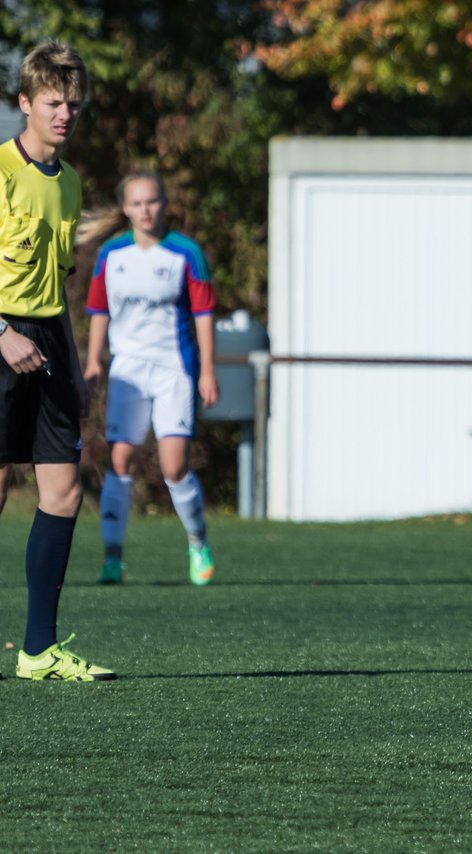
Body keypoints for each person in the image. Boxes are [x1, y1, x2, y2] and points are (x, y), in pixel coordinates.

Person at [0, 42, 115, 680]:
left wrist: (70, 363)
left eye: (73, 103)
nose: (65, 114)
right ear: (24, 103)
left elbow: (60, 279)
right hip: (1, 337)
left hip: (49, 336)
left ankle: (39, 650)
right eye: (53, 102)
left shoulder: (69, 181)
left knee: (64, 489)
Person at [81, 170, 219, 584]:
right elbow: (99, 310)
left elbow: (204, 315)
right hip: (128, 368)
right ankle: (112, 557)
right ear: (126, 208)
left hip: (174, 368)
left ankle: (198, 544)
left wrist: (208, 370)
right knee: (121, 459)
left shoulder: (185, 254)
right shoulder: (111, 255)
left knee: (174, 466)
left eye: (152, 201)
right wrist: (93, 362)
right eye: (137, 203)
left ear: (164, 204)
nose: (145, 210)